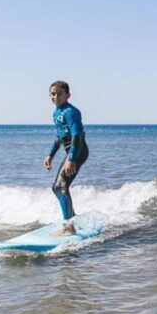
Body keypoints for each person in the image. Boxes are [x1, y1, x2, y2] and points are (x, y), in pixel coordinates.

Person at [43, 81, 89, 236]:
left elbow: (77, 135)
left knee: (60, 186)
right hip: (70, 152)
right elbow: (59, 137)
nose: (55, 97)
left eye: (58, 93)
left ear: (67, 95)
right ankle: (72, 221)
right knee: (57, 187)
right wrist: (51, 155)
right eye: (52, 94)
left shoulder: (71, 112)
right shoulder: (56, 113)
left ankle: (69, 225)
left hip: (78, 151)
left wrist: (71, 159)